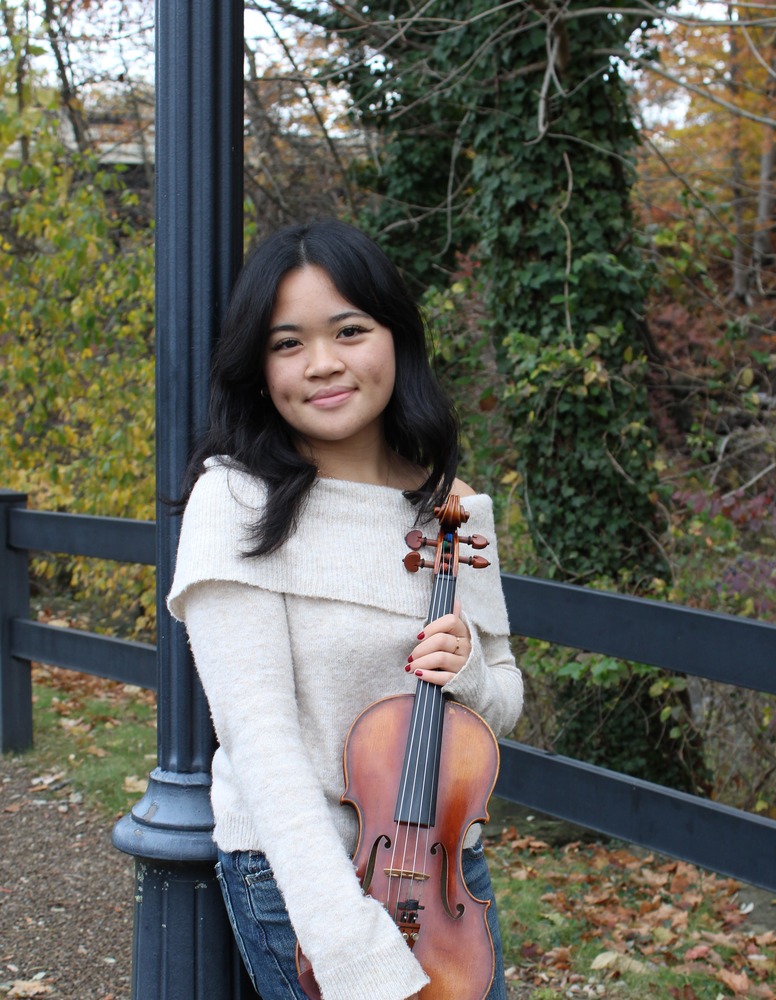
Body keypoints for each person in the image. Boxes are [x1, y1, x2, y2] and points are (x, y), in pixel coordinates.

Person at [167, 219, 523, 1000]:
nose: (322, 364)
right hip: (301, 871)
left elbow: (504, 697)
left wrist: (467, 673)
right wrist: (346, 941)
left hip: (446, 867)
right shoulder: (235, 501)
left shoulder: (455, 514)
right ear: (259, 369)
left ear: (396, 337)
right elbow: (261, 746)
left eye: (350, 331)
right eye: (287, 343)